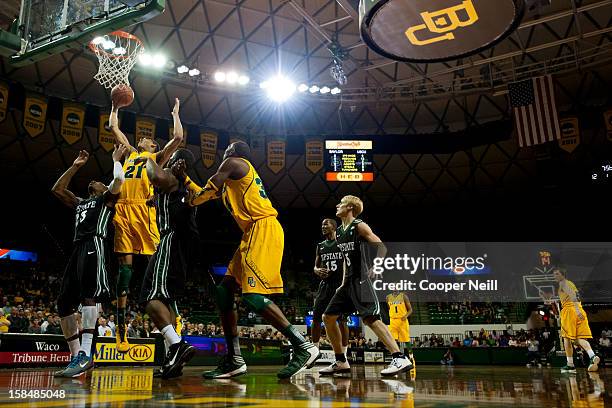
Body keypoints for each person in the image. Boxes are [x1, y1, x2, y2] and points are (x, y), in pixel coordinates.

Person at [188, 141, 319, 379]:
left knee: (252, 296)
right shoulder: (233, 183)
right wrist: (187, 182)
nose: (223, 153)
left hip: (263, 228)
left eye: (227, 149)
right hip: (252, 232)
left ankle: (303, 346)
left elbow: (208, 190)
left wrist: (191, 198)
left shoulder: (233, 163)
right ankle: (234, 359)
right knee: (224, 291)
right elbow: (209, 193)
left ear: (234, 153)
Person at [109, 99, 184, 353]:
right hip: (123, 210)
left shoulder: (155, 157)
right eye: (142, 137)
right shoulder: (130, 153)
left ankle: (175, 313)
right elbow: (113, 128)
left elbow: (178, 138)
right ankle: (121, 331)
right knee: (125, 273)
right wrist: (115, 108)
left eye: (149, 138)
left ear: (154, 146)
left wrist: (175, 113)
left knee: (158, 268)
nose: (143, 138)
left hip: (144, 211)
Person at [51, 146, 126, 377]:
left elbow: (119, 179)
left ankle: (85, 353)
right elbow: (57, 189)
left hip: (95, 244)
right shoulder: (81, 202)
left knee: (89, 295)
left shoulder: (107, 200)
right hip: (77, 248)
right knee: (63, 302)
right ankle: (76, 357)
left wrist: (116, 159)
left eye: (101, 181)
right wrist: (75, 166)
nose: (96, 180)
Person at [319, 195, 412, 376]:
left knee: (370, 319)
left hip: (361, 279)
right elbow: (346, 260)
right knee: (328, 317)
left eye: (341, 203)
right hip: (347, 283)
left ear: (350, 208)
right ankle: (340, 361)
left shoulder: (359, 226)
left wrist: (376, 266)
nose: (337, 205)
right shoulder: (338, 232)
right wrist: (342, 283)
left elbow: (382, 247)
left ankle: (399, 357)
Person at [138, 149, 199, 379]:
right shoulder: (181, 184)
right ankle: (173, 362)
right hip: (182, 245)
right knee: (166, 302)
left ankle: (177, 345)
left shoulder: (171, 175)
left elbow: (155, 176)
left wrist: (148, 156)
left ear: (176, 162)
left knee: (149, 297)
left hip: (170, 240)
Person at [310, 218, 348, 367]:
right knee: (316, 318)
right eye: (322, 225)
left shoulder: (342, 243)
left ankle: (343, 354)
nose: (323, 226)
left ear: (334, 227)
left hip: (340, 286)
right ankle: (314, 350)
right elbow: (315, 266)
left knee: (342, 320)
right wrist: (316, 270)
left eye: (326, 224)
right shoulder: (320, 246)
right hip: (325, 286)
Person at [551, 267, 599, 372]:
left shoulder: (563, 283)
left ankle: (570, 365)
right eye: (554, 274)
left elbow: (573, 296)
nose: (555, 276)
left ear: (563, 275)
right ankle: (592, 356)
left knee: (566, 338)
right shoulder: (571, 283)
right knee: (580, 338)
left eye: (557, 274)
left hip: (570, 311)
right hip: (580, 310)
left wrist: (575, 310)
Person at [386, 291, 413, 356]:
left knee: (406, 340)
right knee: (393, 340)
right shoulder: (388, 297)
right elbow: (389, 308)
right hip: (393, 321)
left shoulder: (404, 296)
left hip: (402, 320)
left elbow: (410, 310)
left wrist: (405, 316)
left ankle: (411, 357)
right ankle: (395, 357)